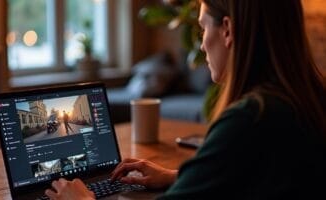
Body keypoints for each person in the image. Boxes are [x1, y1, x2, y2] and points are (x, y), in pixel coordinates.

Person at [45, 0, 326, 199]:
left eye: (203, 28)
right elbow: (259, 174)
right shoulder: (309, 96)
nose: (202, 43)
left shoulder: (251, 116)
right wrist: (179, 176)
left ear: (227, 30)